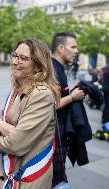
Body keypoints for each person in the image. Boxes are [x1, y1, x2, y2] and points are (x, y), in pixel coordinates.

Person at [0, 39, 60, 189]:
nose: (15, 61)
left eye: (23, 58)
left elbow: (16, 144)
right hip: (8, 171)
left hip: (26, 178)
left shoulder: (41, 94)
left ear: (38, 65)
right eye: (15, 55)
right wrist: (0, 124)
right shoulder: (18, 88)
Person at [51, 32, 85, 188]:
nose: (76, 51)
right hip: (54, 135)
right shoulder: (53, 70)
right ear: (60, 47)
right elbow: (50, 104)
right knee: (55, 177)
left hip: (60, 132)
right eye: (73, 47)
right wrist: (72, 97)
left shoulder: (58, 68)